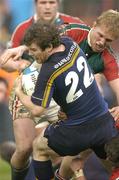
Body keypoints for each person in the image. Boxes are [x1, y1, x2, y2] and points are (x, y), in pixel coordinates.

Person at [0, 8, 119, 179]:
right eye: (100, 35)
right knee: (26, 148)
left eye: (108, 40)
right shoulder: (72, 41)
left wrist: (19, 89)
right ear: (93, 25)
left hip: (70, 117)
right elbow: (45, 39)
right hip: (99, 119)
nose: (101, 42)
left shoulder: (48, 70)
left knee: (40, 147)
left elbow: (37, 110)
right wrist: (21, 49)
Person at [0, 1, 85, 180]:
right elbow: (5, 61)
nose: (47, 6)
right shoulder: (23, 28)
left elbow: (89, 53)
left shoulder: (73, 24)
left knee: (53, 148)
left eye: (51, 2)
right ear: (35, 4)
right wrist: (22, 64)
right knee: (24, 149)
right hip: (28, 91)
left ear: (58, 3)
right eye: (43, 2)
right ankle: (20, 170)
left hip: (61, 95)